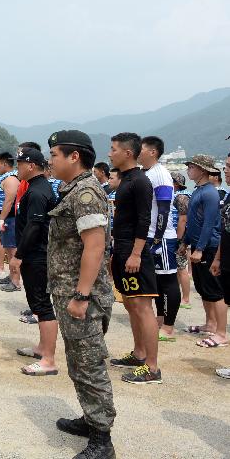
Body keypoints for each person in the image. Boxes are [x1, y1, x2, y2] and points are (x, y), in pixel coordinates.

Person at [47, 130, 116, 459]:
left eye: (54, 154)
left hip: (82, 299)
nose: (50, 160)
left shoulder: (86, 192)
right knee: (78, 362)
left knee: (89, 366)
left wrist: (82, 295)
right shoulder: (73, 189)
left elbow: (95, 245)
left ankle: (102, 440)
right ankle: (90, 419)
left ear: (74, 157)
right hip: (70, 294)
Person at [106, 133, 162, 385]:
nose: (109, 153)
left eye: (113, 149)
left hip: (134, 251)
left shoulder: (140, 181)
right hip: (121, 249)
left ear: (127, 153)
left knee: (142, 307)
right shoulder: (126, 179)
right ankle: (139, 354)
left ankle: (152, 368)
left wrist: (137, 253)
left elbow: (144, 219)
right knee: (130, 304)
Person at [11, 148, 58, 376]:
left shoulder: (39, 192)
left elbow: (34, 227)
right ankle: (42, 348)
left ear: (31, 166)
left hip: (37, 255)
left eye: (19, 164)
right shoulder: (35, 188)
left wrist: (18, 255)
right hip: (34, 253)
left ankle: (49, 359)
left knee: (42, 304)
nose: (17, 168)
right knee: (36, 302)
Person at [139, 136, 181, 343]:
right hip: (149, 235)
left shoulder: (161, 174)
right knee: (155, 281)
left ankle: (169, 326)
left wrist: (157, 237)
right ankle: (159, 318)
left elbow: (164, 207)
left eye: (142, 148)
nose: (138, 151)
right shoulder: (147, 173)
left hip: (162, 237)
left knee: (167, 281)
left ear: (153, 152)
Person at [180, 154, 224, 346]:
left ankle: (220, 331)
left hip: (208, 247)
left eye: (191, 167)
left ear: (202, 170)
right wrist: (185, 242)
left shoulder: (210, 193)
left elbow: (208, 224)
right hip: (196, 244)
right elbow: (192, 221)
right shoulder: (198, 190)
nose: (188, 169)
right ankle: (210, 323)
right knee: (202, 288)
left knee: (214, 290)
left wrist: (199, 249)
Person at [211, 153, 230, 378]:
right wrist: (217, 258)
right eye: (224, 166)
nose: (225, 171)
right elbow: (224, 231)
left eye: (228, 167)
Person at [0, 153, 20, 292]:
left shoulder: (11, 179)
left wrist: (2, 219)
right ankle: (11, 276)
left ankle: (16, 281)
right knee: (8, 249)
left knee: (12, 250)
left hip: (10, 219)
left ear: (4, 163)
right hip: (5, 218)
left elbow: (9, 201)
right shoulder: (5, 178)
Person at [171, 172, 192, 310]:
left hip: (179, 238)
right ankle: (180, 296)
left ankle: (186, 298)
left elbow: (183, 220)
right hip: (175, 237)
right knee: (177, 269)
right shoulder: (178, 196)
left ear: (176, 184)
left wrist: (179, 240)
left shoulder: (181, 197)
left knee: (181, 269)